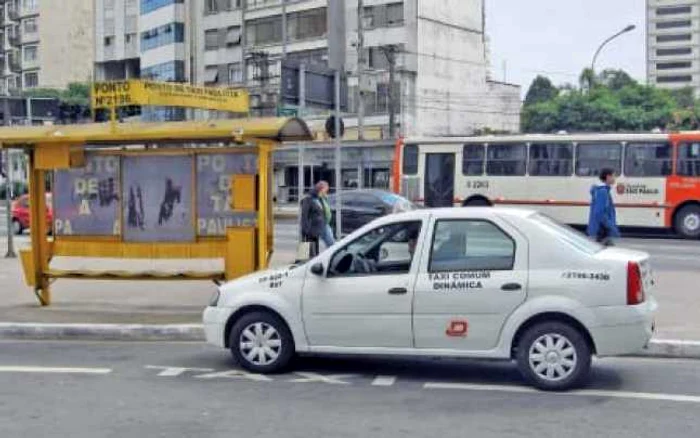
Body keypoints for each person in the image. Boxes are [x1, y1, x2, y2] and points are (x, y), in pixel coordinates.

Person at [300, 181, 335, 257]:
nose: (326, 191)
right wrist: (305, 229)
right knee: (310, 248)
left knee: (319, 246)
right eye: (325, 189)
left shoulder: (321, 198)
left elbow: (323, 211)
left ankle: (314, 259)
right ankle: (306, 261)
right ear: (320, 189)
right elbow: (304, 215)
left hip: (322, 224)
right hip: (312, 228)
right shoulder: (309, 199)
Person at [587, 168, 620, 245]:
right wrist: (611, 226)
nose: (615, 178)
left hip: (602, 230)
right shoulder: (603, 192)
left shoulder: (601, 190)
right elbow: (599, 213)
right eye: (614, 176)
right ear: (608, 177)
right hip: (603, 231)